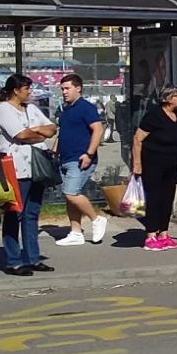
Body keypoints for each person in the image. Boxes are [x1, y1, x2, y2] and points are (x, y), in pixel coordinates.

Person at [0, 73, 58, 276]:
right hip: (15, 168)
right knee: (15, 214)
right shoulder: (4, 109)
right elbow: (19, 135)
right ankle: (13, 260)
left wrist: (35, 130)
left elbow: (51, 128)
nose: (30, 92)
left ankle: (33, 257)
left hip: (35, 167)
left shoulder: (31, 108)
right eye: (26, 88)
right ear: (15, 90)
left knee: (32, 213)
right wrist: (36, 134)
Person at [132, 85, 177, 249]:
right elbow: (137, 139)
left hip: (171, 163)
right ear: (168, 99)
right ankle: (151, 235)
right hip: (153, 163)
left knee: (168, 198)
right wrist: (137, 164)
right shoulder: (154, 115)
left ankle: (164, 233)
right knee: (154, 198)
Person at [52, 73, 109, 246]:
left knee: (71, 192)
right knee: (70, 196)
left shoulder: (86, 107)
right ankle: (75, 232)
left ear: (78, 88)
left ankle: (96, 219)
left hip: (81, 158)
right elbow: (63, 132)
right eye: (62, 89)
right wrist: (55, 149)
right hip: (65, 158)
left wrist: (89, 153)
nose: (64, 92)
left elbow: (97, 130)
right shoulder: (64, 110)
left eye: (67, 88)